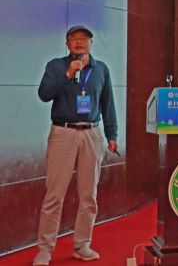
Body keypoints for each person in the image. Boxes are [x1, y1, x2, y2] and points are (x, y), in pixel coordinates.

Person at [33, 26, 118, 266]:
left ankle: (82, 245)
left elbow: (108, 103)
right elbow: (44, 94)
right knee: (54, 195)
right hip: (63, 132)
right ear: (67, 43)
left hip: (92, 133)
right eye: (74, 39)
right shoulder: (56, 66)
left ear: (92, 42)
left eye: (84, 39)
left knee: (89, 195)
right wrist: (69, 74)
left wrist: (112, 134)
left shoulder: (101, 69)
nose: (79, 42)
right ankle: (45, 250)